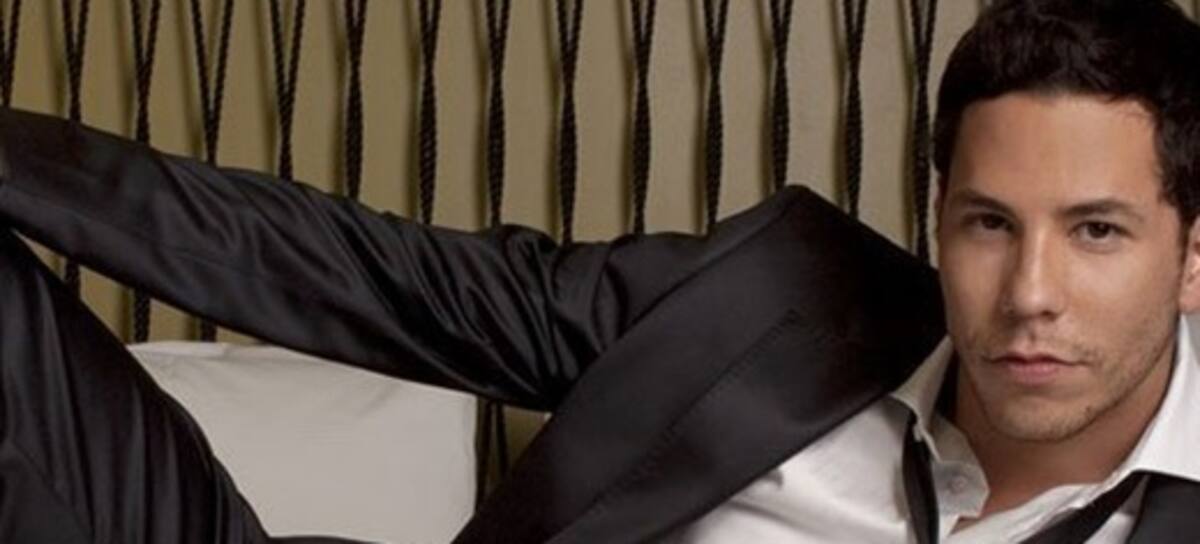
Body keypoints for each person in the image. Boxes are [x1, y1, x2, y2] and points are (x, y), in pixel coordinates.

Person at [0, 0, 1196, 542]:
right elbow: (376, 276)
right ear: (938, 219)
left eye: (1097, 231)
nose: (1030, 292)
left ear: (1194, 256)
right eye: (989, 224)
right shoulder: (783, 300)